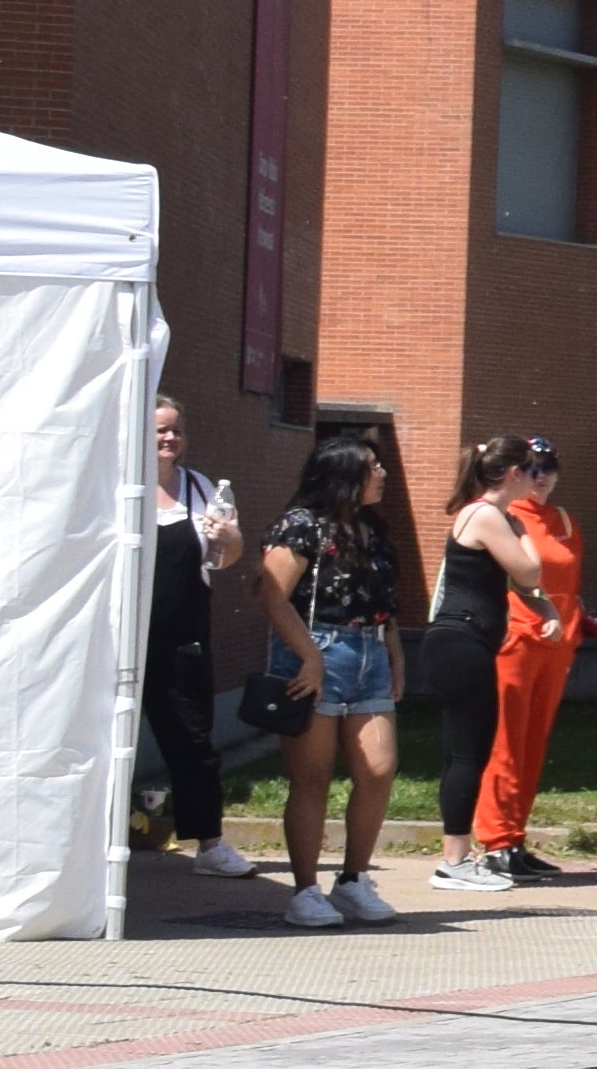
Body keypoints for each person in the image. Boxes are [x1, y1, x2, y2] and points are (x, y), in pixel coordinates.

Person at [258, 436, 410, 924]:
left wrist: (396, 655)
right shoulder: (301, 526)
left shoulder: (370, 529)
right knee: (312, 777)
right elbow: (272, 594)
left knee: (379, 769)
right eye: (372, 466)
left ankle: (353, 879)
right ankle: (305, 890)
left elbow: (384, 604)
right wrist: (309, 658)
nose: (383, 473)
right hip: (315, 653)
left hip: (369, 654)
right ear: (345, 476)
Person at [420, 441, 546, 897]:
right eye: (531, 469)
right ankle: (453, 861)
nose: (537, 477)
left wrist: (545, 606)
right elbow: (530, 572)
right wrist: (522, 524)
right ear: (512, 472)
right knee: (466, 754)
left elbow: (520, 584)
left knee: (468, 750)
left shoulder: (489, 517)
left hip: (466, 645)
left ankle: (458, 857)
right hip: (460, 644)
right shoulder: (489, 517)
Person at [137, 393, 252, 876]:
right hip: (123, 635)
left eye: (175, 430)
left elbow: (226, 558)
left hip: (184, 631)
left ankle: (209, 844)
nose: (168, 438)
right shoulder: (121, 484)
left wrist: (230, 540)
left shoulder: (200, 487)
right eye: (160, 429)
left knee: (194, 741)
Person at [485, 437, 589, 880]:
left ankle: (517, 837)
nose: (541, 476)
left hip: (557, 643)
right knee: (506, 742)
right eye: (532, 468)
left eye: (548, 467)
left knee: (533, 744)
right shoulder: (505, 518)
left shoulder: (563, 519)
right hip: (517, 642)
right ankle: (495, 839)